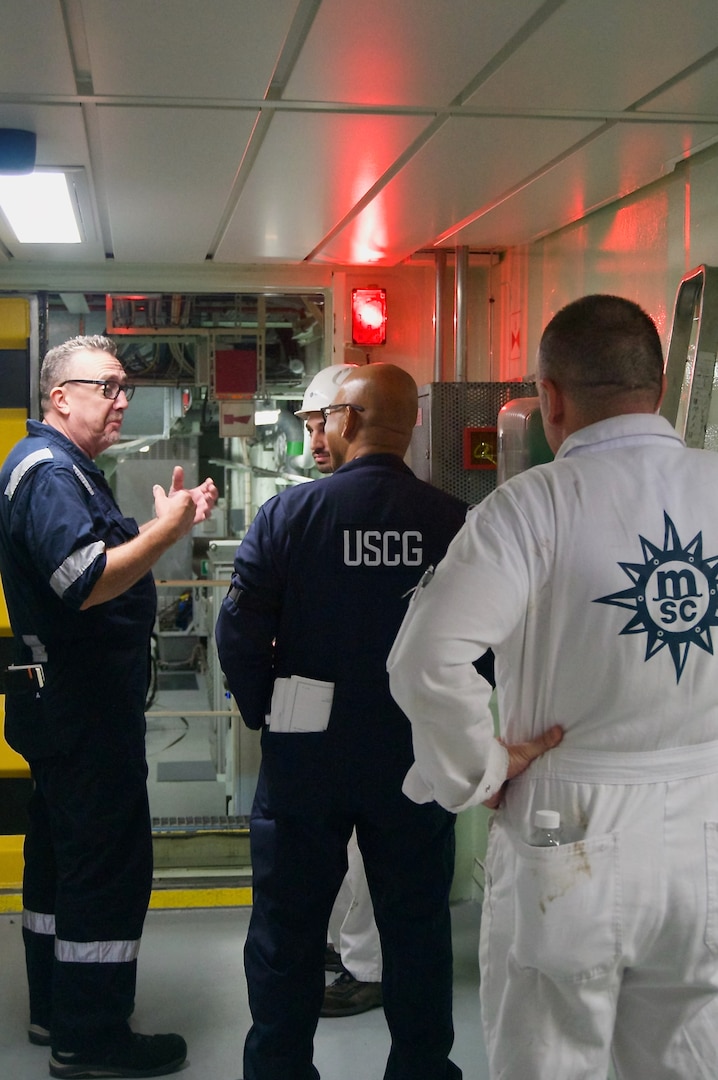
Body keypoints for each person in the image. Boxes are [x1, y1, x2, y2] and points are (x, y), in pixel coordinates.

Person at [387, 293, 718, 1079]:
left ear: (551, 397)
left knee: (551, 1059)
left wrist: (481, 770)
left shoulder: (531, 506)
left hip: (570, 833)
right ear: (661, 383)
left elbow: (426, 659)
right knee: (687, 1059)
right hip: (707, 830)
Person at [216, 362, 493, 1080]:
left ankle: (278, 1069)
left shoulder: (290, 515)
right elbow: (485, 651)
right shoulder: (453, 523)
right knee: (416, 926)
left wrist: (264, 712)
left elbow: (240, 632)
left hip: (305, 753)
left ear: (350, 421)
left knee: (288, 925)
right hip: (411, 757)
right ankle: (423, 1068)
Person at [0, 335, 218, 1079]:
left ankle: (55, 1010)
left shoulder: (62, 472)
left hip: (58, 699)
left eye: (126, 388)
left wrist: (158, 524)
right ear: (60, 395)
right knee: (105, 865)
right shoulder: (49, 475)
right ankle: (91, 1039)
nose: (123, 400)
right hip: (82, 708)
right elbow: (86, 579)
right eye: (110, 386)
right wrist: (168, 530)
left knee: (60, 860)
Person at [294, 365, 383, 1018]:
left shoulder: (389, 507)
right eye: (308, 424)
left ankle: (368, 964)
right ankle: (340, 945)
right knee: (325, 836)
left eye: (322, 422)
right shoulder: (307, 506)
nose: (315, 438)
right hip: (314, 701)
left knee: (365, 845)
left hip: (367, 707)